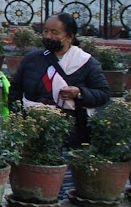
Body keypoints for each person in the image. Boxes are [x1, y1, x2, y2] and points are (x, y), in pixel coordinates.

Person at [10, 13, 111, 148]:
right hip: (31, 124)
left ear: (69, 37)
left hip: (69, 129)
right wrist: (17, 116)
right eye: (45, 31)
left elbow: (103, 94)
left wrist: (79, 93)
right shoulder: (31, 59)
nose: (47, 36)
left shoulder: (86, 62)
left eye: (54, 32)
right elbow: (15, 90)